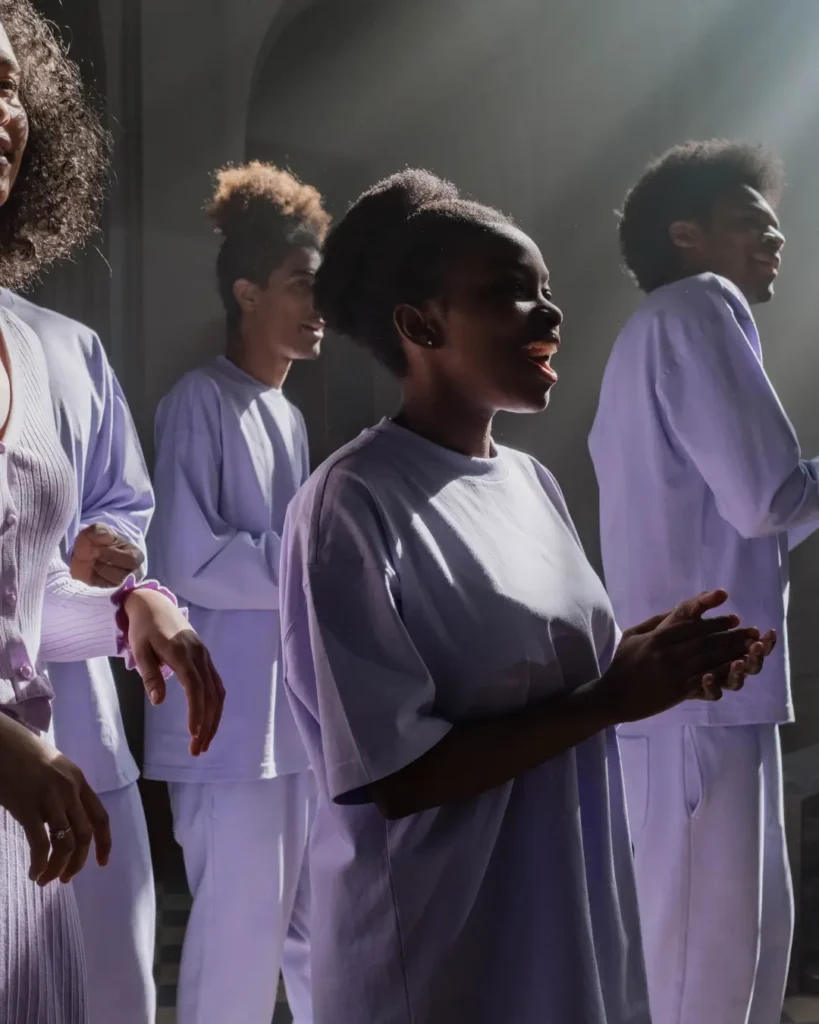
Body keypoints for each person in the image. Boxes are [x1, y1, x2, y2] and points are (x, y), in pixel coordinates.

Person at [277, 168, 773, 1024]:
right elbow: (395, 773)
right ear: (419, 323)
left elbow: (544, 675)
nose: (548, 312)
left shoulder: (531, 481)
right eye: (510, 293)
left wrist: (660, 659)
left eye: (544, 289)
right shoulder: (351, 500)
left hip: (565, 920)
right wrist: (613, 698)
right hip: (441, 951)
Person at [0, 4, 225, 1021]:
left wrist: (132, 603)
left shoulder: (45, 342)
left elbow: (25, 603)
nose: (1, 110)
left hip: (30, 800)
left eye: (8, 86)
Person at [588, 139, 806, 1024]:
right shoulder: (696, 306)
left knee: (731, 973)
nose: (777, 238)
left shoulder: (659, 332)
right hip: (694, 694)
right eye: (751, 221)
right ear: (685, 235)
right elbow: (766, 496)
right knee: (699, 981)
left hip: (711, 694)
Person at [146, 162, 329, 1024]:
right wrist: (316, 558)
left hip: (284, 728)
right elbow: (186, 559)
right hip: (221, 733)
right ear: (248, 293)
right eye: (300, 284)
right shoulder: (199, 403)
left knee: (310, 938)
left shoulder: (285, 416)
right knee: (236, 953)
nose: (317, 301)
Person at [0, 287, 157, 1024]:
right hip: (22, 751)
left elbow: (116, 511)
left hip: (56, 741)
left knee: (110, 987)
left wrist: (130, 595)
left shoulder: (49, 343)